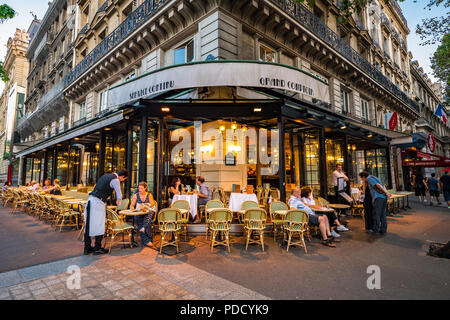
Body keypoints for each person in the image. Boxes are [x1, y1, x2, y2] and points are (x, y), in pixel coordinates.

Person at [83, 169, 128, 255]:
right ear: (122, 177)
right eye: (124, 179)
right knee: (99, 225)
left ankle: (87, 248)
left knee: (88, 224)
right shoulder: (115, 179)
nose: (122, 181)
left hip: (91, 200)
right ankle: (97, 248)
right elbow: (119, 195)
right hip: (98, 203)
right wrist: (119, 203)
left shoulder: (106, 176)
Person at [359, 171, 391, 235]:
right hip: (383, 197)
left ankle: (375, 230)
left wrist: (387, 193)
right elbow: (382, 185)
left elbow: (378, 185)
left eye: (361, 178)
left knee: (376, 215)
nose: (362, 180)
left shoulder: (369, 179)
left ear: (364, 176)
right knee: (383, 215)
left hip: (378, 198)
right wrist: (386, 193)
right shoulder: (375, 177)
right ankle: (383, 230)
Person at [130, 181, 156, 247]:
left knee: (148, 217)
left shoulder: (149, 195)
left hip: (148, 211)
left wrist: (147, 206)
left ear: (145, 188)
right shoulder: (136, 195)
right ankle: (147, 240)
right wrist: (132, 208)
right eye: (139, 188)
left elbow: (152, 203)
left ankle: (143, 228)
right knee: (138, 219)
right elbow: (132, 205)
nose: (140, 190)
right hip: (139, 212)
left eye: (141, 188)